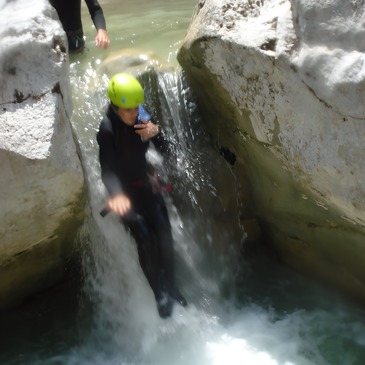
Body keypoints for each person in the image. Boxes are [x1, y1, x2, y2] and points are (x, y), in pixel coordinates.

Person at [97, 73, 187, 318]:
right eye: (128, 109)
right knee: (146, 238)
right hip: (123, 194)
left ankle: (172, 286)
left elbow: (165, 147)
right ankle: (158, 292)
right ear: (116, 107)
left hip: (145, 186)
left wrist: (155, 133)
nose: (134, 112)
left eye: (137, 107)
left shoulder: (141, 117)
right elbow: (107, 169)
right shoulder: (107, 129)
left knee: (164, 233)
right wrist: (116, 195)